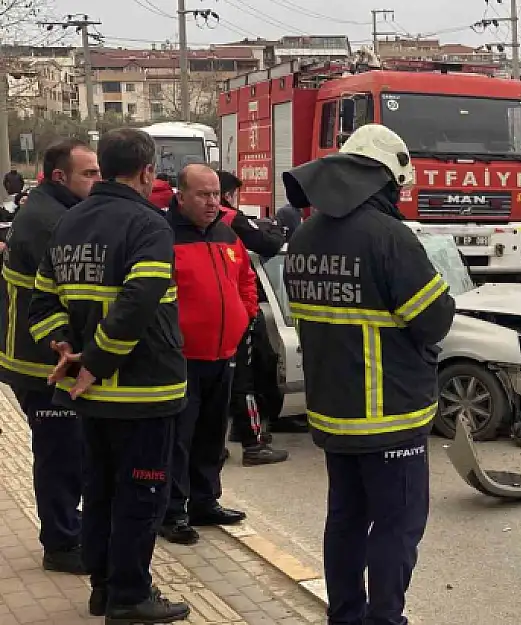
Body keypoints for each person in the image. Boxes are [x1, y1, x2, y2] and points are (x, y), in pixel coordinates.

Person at [282, 124, 455, 625]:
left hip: (333, 414)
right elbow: (433, 320)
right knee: (397, 528)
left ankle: (347, 617)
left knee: (346, 522)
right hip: (390, 414)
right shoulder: (389, 237)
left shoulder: (307, 236)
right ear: (384, 181)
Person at [28, 127, 190, 623]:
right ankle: (130, 596)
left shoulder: (71, 222)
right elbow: (138, 303)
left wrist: (69, 351)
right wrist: (96, 364)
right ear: (146, 172)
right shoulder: (149, 226)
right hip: (144, 391)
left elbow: (43, 302)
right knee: (142, 493)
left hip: (91, 397)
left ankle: (103, 587)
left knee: (99, 491)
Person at [0, 138, 100, 575]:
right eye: (90, 174)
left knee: (69, 452)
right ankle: (60, 543)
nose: (98, 180)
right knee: (59, 454)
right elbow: (69, 293)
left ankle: (67, 529)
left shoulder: (53, 210)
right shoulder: (49, 222)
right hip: (42, 363)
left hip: (45, 359)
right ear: (61, 177)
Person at [158, 164, 252, 545]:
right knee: (179, 438)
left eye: (216, 194)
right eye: (203, 194)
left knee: (213, 435)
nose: (213, 201)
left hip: (222, 353)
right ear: (181, 196)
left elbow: (246, 278)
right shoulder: (164, 236)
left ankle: (204, 501)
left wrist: (243, 316)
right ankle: (172, 511)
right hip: (182, 357)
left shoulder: (227, 234)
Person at [216, 169, 294, 465]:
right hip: (235, 312)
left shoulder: (181, 223)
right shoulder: (228, 219)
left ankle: (218, 441)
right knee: (243, 379)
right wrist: (277, 228)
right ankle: (252, 442)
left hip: (215, 313)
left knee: (213, 380)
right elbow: (268, 244)